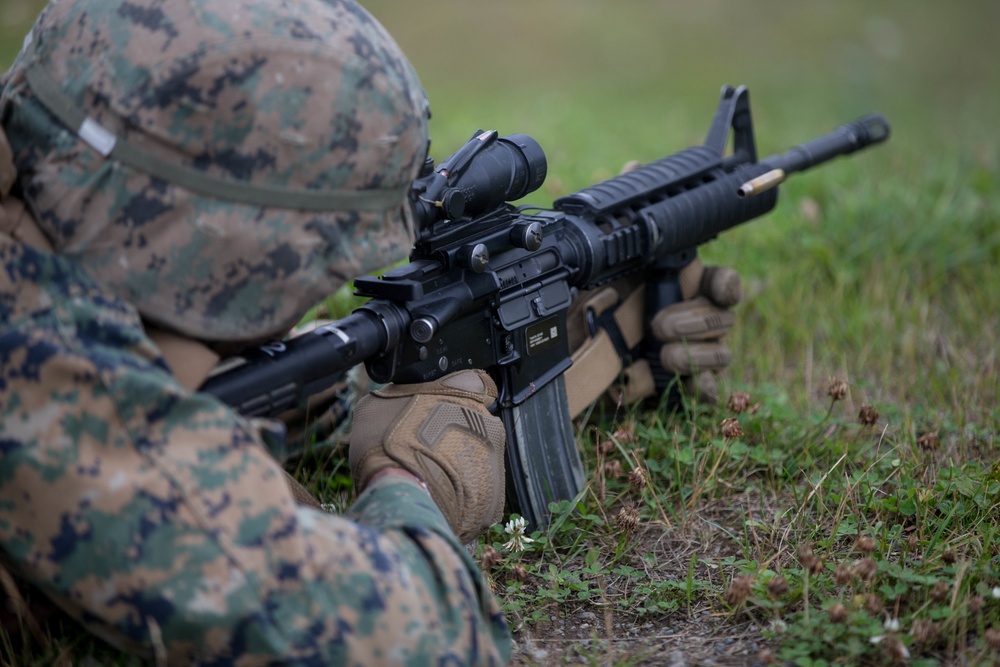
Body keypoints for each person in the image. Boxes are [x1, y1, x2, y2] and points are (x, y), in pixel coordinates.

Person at [0, 0, 737, 663]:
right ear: (208, 252)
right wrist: (411, 478)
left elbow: (238, 385)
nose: (308, 295)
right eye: (305, 265)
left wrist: (572, 342)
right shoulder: (55, 397)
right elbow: (430, 638)